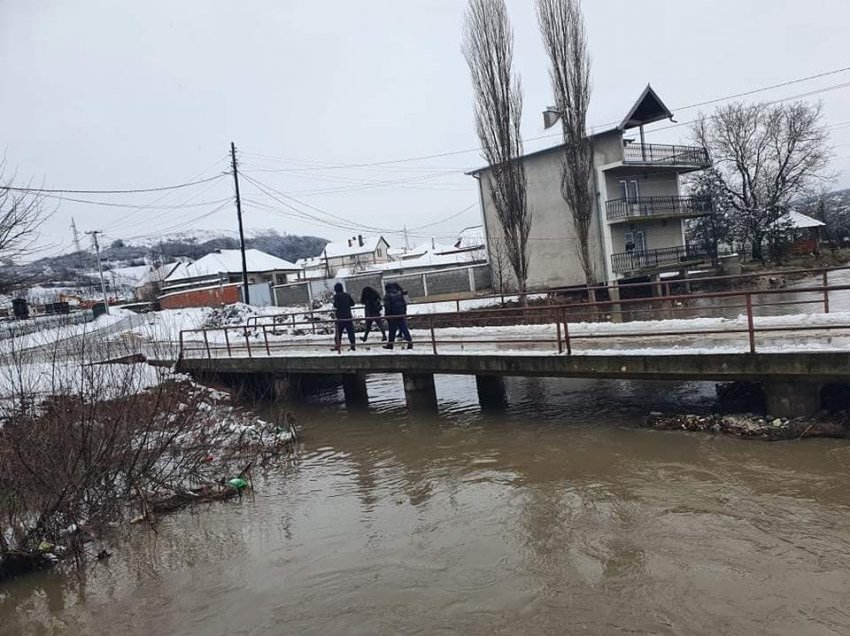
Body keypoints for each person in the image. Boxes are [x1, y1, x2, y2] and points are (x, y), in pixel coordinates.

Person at [383, 282, 412, 350]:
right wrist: (403, 312)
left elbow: (387, 307)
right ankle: (410, 342)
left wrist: (387, 316)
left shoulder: (388, 295)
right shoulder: (399, 294)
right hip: (401, 314)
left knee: (392, 331)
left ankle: (390, 345)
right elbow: (404, 304)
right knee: (404, 329)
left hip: (392, 316)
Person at [332, 282, 356, 350]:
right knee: (350, 332)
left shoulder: (336, 296)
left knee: (338, 333)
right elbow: (352, 303)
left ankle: (337, 346)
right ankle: (353, 346)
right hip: (348, 316)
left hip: (340, 317)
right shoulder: (347, 295)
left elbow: (335, 305)